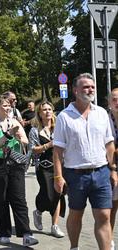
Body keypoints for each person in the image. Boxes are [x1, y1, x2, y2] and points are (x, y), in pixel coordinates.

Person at [53, 73, 118, 250]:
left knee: (104, 216)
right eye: (85, 87)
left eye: (92, 87)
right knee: (76, 214)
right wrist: (58, 177)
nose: (90, 90)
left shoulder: (102, 113)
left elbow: (109, 144)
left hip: (101, 172)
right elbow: (58, 150)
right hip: (75, 175)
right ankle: (74, 247)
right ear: (75, 90)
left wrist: (113, 169)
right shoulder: (64, 117)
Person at [0, 95, 38, 246]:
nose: (8, 108)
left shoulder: (14, 122)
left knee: (19, 198)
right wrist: (8, 135)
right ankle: (3, 232)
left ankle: (26, 233)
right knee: (0, 199)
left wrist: (20, 137)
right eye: (5, 106)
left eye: (9, 105)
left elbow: (25, 141)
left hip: (15, 162)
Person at [28, 101, 65, 238]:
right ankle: (38, 211)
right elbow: (32, 150)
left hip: (60, 166)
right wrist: (48, 145)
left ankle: (55, 226)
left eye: (50, 109)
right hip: (43, 167)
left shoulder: (59, 127)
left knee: (58, 194)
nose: (47, 112)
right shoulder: (35, 130)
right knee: (48, 194)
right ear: (39, 113)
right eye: (44, 110)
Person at [108, 88, 118, 250]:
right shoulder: (104, 119)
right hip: (109, 168)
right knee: (111, 206)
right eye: (114, 99)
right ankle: (108, 240)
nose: (117, 102)